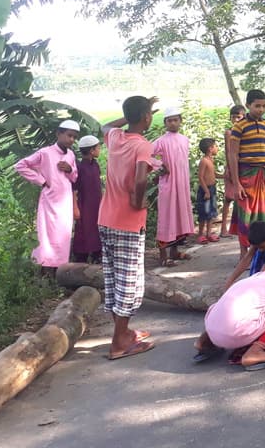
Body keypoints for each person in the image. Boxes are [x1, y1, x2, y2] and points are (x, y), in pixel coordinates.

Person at [99, 96, 157, 360]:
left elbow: (105, 126)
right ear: (147, 117)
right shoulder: (142, 145)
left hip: (106, 219)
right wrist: (137, 199)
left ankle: (123, 331)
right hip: (128, 221)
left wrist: (131, 114)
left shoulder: (115, 138)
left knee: (113, 277)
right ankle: (119, 342)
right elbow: (141, 176)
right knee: (130, 281)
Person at [193, 243, 265, 370]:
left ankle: (203, 343)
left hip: (214, 333)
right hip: (237, 334)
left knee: (222, 305)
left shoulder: (252, 279)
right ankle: (256, 353)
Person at [15, 119, 80, 275]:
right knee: (47, 235)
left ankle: (60, 272)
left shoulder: (70, 154)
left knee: (63, 236)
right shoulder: (45, 153)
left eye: (74, 137)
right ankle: (44, 272)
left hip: (65, 202)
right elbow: (21, 165)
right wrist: (42, 181)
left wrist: (69, 169)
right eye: (69, 135)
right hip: (50, 201)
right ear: (59, 133)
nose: (71, 140)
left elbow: (75, 177)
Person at [229, 89, 265, 254]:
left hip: (262, 176)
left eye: (264, 106)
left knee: (263, 214)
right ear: (248, 105)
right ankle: (244, 253)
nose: (261, 109)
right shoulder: (239, 127)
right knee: (245, 215)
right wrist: (236, 183)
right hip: (245, 175)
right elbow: (233, 154)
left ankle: (261, 251)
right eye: (257, 106)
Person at [152, 106, 195, 266]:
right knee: (166, 217)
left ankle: (174, 252)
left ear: (180, 121)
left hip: (182, 185)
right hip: (169, 185)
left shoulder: (184, 139)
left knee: (179, 217)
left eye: (175, 120)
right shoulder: (161, 141)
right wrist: (159, 166)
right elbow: (146, 154)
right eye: (169, 121)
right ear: (165, 123)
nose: (173, 123)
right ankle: (163, 257)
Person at [72, 134, 103, 264]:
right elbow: (74, 189)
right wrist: (75, 208)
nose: (99, 150)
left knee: (96, 230)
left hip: (96, 204)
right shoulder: (79, 168)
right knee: (83, 230)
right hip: (84, 205)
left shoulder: (95, 165)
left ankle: (97, 255)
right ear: (91, 150)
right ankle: (81, 258)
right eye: (98, 147)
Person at [220, 105, 246, 238]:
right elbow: (228, 152)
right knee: (228, 198)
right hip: (232, 168)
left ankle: (241, 227)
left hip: (243, 168)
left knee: (242, 198)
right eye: (233, 117)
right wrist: (230, 169)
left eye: (239, 117)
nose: (236, 120)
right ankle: (223, 227)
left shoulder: (245, 131)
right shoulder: (229, 132)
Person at [196, 138, 220, 244]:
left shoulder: (211, 160)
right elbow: (200, 177)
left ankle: (209, 233)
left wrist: (225, 176)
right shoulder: (204, 161)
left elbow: (213, 174)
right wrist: (206, 191)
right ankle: (201, 234)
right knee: (203, 213)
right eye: (216, 146)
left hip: (212, 188)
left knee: (211, 213)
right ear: (210, 148)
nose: (217, 148)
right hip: (205, 190)